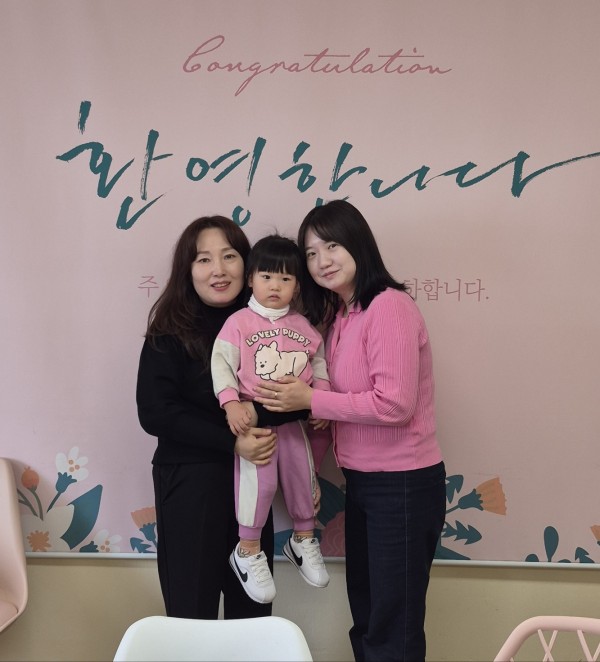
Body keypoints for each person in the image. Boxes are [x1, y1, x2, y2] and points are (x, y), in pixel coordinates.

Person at [254, 200, 446, 662]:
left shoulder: (389, 306)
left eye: (332, 246)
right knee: (368, 613)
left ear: (358, 244)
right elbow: (345, 403)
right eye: (311, 253)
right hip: (363, 482)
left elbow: (394, 404)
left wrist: (311, 400)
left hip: (402, 484)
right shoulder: (342, 317)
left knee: (391, 625)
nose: (322, 261)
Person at [136, 216, 307, 620]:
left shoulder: (275, 328)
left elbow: (299, 398)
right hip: (190, 480)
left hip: (253, 477)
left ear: (248, 267)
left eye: (229, 256)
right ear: (188, 270)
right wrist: (233, 441)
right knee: (190, 609)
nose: (218, 270)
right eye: (203, 259)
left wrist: (252, 419)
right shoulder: (168, 330)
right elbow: (155, 412)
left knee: (253, 611)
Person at [211, 234, 331, 605]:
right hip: (256, 424)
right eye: (266, 277)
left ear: (297, 285)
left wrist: (322, 399)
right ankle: (247, 550)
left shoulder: (304, 325)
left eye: (285, 278)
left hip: (294, 422)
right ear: (250, 279)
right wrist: (231, 403)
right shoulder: (238, 323)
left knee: (301, 477)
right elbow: (221, 364)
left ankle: (303, 539)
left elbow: (319, 363)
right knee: (259, 486)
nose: (275, 286)